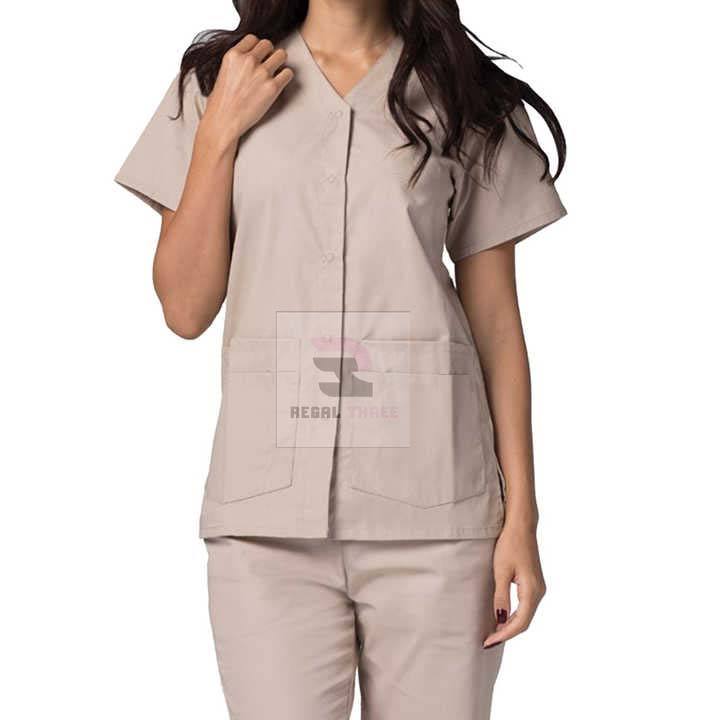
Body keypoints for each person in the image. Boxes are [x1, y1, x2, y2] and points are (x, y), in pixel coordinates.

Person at [115, 1, 567, 717]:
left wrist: (523, 520)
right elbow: (185, 308)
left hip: (439, 515)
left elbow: (497, 324)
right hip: (266, 523)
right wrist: (220, 130)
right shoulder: (216, 81)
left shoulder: (466, 92)